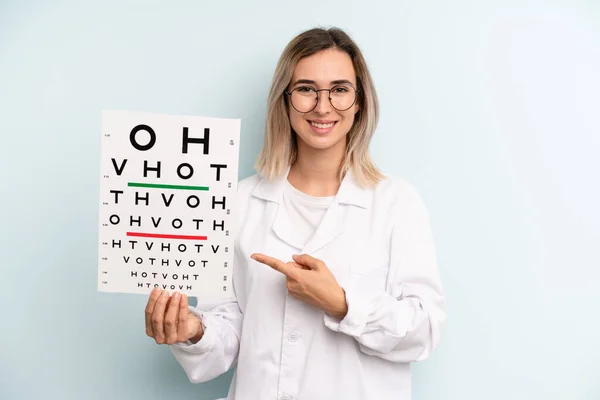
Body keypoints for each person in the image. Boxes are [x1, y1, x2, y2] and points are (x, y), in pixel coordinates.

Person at [143, 27, 446, 400]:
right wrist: (193, 330)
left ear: (359, 101)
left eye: (339, 89)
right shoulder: (238, 202)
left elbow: (425, 330)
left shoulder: (396, 203)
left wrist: (342, 302)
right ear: (284, 101)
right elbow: (228, 334)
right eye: (305, 89)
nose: (322, 106)